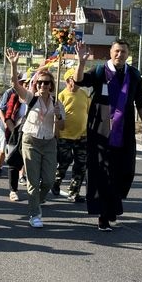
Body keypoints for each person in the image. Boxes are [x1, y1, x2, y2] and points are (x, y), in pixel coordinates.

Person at [73, 40, 142, 231]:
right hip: (100, 131)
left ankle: (113, 204)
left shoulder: (133, 75)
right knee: (102, 172)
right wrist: (81, 62)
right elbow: (80, 81)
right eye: (116, 51)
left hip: (124, 131)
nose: (119, 55)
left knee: (125, 170)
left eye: (123, 51)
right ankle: (103, 214)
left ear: (128, 53)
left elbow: (141, 102)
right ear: (110, 52)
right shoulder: (100, 71)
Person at [7, 51, 65, 228]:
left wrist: (58, 117)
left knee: (48, 180)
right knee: (32, 181)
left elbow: (61, 128)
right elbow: (16, 86)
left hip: (49, 142)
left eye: (46, 83)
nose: (43, 86)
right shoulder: (31, 98)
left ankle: (36, 202)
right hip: (30, 141)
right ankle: (35, 214)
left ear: (51, 85)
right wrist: (14, 65)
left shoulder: (57, 102)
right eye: (39, 82)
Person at [52, 68, 90, 202]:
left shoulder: (84, 95)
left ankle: (74, 192)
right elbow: (57, 118)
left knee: (81, 165)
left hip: (82, 136)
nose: (79, 82)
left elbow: (89, 113)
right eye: (75, 79)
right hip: (65, 136)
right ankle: (56, 181)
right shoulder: (61, 96)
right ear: (68, 81)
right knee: (64, 162)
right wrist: (56, 135)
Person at [0, 72, 30, 201]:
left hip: (32, 136)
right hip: (15, 134)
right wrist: (15, 133)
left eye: (31, 83)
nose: (28, 86)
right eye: (26, 83)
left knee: (31, 163)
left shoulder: (38, 99)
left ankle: (33, 190)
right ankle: (13, 190)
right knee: (14, 163)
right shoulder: (15, 97)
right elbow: (8, 117)